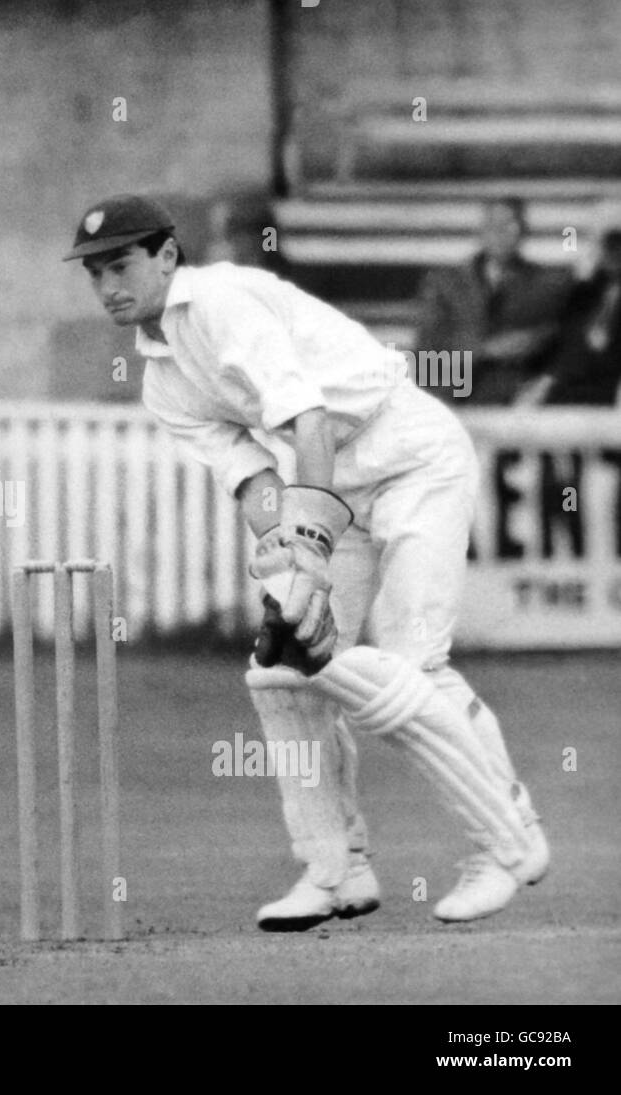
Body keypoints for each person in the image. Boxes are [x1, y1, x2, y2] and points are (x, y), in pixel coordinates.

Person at [67, 194, 549, 928]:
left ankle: (502, 843)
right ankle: (336, 867)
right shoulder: (162, 381)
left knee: (412, 662)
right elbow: (256, 481)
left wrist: (313, 549)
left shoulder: (223, 302)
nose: (109, 287)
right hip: (327, 486)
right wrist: (290, 556)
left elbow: (309, 418)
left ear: (167, 256)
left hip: (410, 452)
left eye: (121, 265)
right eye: (96, 273)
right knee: (280, 670)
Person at [414, 198, 571, 404]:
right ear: (480, 231)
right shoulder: (445, 283)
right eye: (492, 224)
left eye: (509, 224)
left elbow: (556, 336)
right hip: (453, 395)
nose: (500, 232)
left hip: (515, 399)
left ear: (523, 231)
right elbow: (428, 346)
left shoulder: (543, 285)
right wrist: (485, 350)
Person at [517, 227, 621, 406]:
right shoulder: (585, 292)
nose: (614, 256)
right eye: (610, 249)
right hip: (570, 381)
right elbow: (565, 336)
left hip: (607, 383)